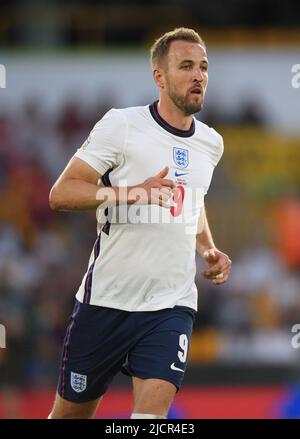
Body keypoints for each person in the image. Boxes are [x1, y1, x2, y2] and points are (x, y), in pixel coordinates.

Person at [48, 27, 232, 419]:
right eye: (186, 66)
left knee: (150, 421)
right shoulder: (122, 125)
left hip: (171, 305)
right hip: (106, 303)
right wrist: (126, 192)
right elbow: (61, 193)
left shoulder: (211, 143)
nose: (198, 76)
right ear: (159, 77)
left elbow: (192, 200)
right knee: (69, 416)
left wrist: (207, 248)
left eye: (203, 67)